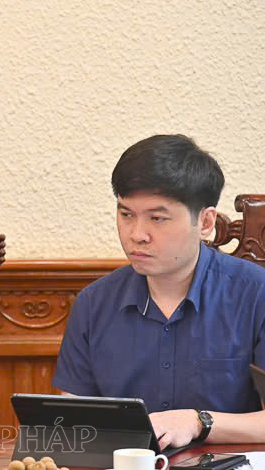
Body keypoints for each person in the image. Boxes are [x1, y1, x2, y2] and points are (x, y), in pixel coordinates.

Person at [54, 134, 265, 449]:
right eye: (126, 214)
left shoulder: (256, 294)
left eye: (157, 218)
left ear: (205, 222)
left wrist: (199, 422)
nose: (137, 234)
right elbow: (72, 425)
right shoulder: (93, 303)